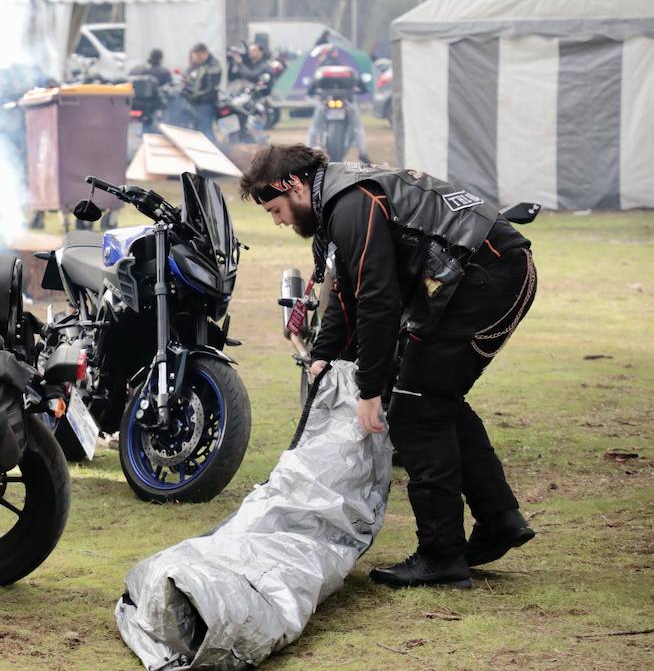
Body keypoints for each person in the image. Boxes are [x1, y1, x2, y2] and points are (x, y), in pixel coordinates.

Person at [240, 145, 538, 589]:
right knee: (437, 399)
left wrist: (369, 390)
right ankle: (499, 520)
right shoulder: (340, 199)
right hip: (492, 268)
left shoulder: (350, 205)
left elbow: (379, 299)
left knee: (417, 410)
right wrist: (325, 352)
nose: (278, 221)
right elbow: (349, 288)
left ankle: (441, 556)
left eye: (276, 209)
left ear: (294, 185)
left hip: (488, 275)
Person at [305, 62, 371, 161]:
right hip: (347, 103)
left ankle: (308, 152)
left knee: (315, 127)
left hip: (326, 103)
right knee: (358, 127)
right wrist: (363, 90)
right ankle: (363, 153)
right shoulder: (350, 72)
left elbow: (310, 90)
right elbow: (363, 89)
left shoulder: (321, 71)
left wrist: (312, 92)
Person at [178, 43, 222, 140]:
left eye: (197, 57)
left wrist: (197, 95)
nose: (196, 59)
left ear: (204, 53)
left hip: (207, 102)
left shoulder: (213, 65)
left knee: (205, 130)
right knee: (199, 130)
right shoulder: (202, 64)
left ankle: (212, 150)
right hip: (199, 102)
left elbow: (211, 87)